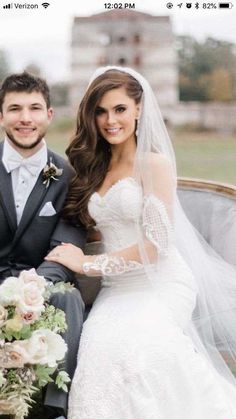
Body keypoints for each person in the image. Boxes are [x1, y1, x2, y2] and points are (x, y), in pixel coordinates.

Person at [46, 66, 236, 419]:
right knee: (98, 349)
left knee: (138, 349)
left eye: (119, 109)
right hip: (116, 291)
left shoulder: (154, 164)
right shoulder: (93, 168)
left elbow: (156, 247)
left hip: (161, 282)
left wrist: (85, 263)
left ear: (138, 109)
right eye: (100, 111)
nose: (110, 121)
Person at [0, 72, 87, 419]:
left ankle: (56, 411)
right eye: (15, 108)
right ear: (1, 115)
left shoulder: (69, 176)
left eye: (35, 108)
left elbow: (65, 250)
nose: (25, 118)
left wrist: (22, 291)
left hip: (41, 286)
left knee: (69, 296)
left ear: (49, 115)